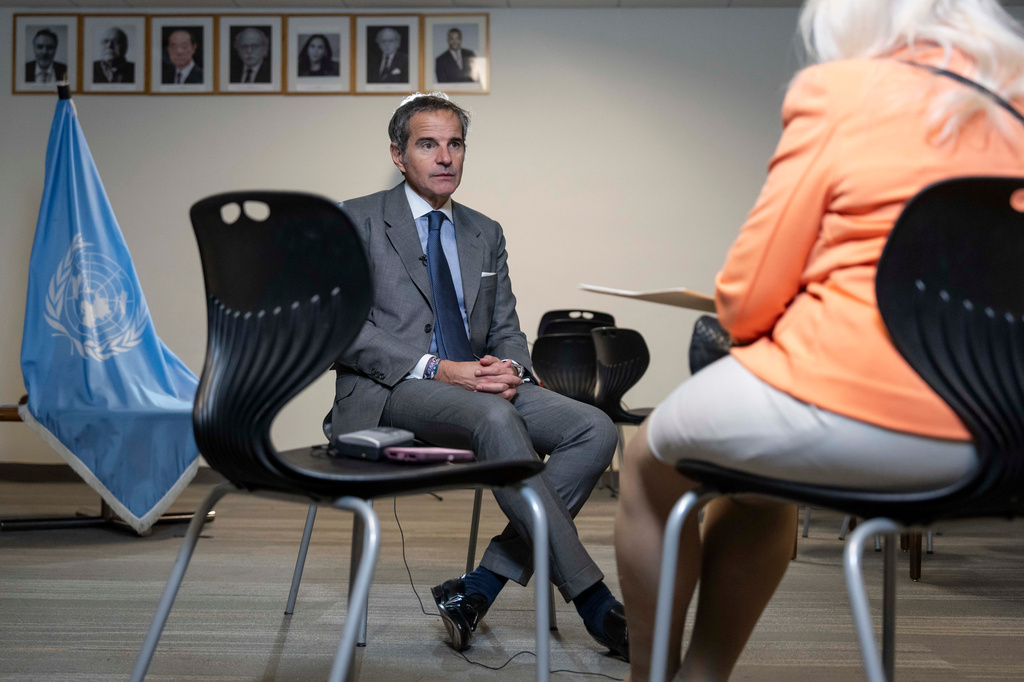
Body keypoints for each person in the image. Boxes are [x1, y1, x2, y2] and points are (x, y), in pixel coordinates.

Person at [613, 0, 1024, 680]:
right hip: (1003, 435)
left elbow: (746, 305)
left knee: (648, 462)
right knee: (759, 488)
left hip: (850, 409)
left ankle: (663, 676)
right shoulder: (1013, 104)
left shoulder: (844, 90)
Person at [332, 93, 628, 660]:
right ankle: (595, 602)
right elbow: (342, 331)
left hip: (481, 391)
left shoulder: (484, 231)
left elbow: (507, 328)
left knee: (594, 428)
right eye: (427, 144)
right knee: (494, 416)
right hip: (393, 392)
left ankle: (476, 589)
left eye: (455, 144)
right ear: (398, 155)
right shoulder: (357, 219)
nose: (444, 157)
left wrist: (509, 367)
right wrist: (443, 369)